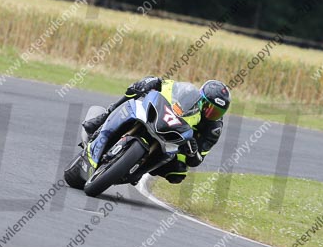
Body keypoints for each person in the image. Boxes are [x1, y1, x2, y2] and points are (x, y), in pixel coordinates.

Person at [82, 77, 231, 183]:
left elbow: (197, 160)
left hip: (178, 142)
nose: (209, 113)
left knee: (178, 173)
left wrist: (193, 152)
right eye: (208, 107)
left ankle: (139, 168)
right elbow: (166, 85)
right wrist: (152, 82)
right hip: (162, 117)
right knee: (138, 88)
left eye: (216, 112)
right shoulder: (188, 93)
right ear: (200, 97)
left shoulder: (213, 129)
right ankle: (104, 116)